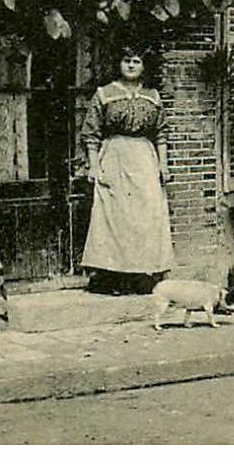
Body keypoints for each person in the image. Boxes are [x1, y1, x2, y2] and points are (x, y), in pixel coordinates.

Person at [80, 44, 174, 293]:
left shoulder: (152, 96)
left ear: (144, 67)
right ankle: (112, 278)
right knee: (114, 216)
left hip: (144, 157)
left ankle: (142, 276)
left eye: (136, 61)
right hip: (114, 156)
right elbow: (91, 132)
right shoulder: (104, 93)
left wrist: (163, 165)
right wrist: (92, 165)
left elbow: (162, 132)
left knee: (147, 214)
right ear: (118, 64)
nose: (131, 65)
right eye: (126, 60)